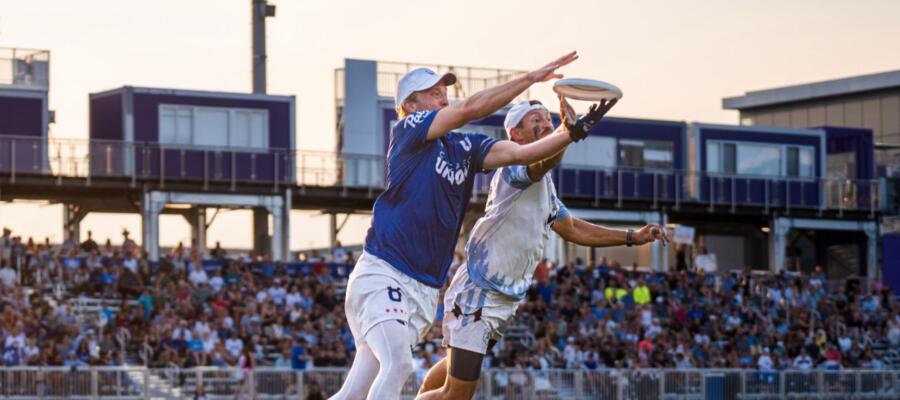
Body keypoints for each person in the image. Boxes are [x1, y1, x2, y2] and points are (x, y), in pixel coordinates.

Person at [331, 52, 585, 400]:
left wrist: (569, 134)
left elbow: (522, 154)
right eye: (432, 91)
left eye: (443, 90)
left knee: (354, 391)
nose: (443, 95)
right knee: (400, 366)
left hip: (422, 290)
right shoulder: (408, 131)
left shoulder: (465, 146)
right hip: (384, 272)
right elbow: (469, 109)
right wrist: (530, 78)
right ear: (410, 105)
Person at [416, 98, 666, 399]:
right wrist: (570, 134)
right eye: (535, 119)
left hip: (502, 298)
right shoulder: (515, 166)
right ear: (515, 135)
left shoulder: (544, 187)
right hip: (479, 293)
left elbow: (570, 228)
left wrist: (632, 237)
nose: (546, 124)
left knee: (452, 372)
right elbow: (542, 161)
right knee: (457, 395)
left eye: (548, 119)